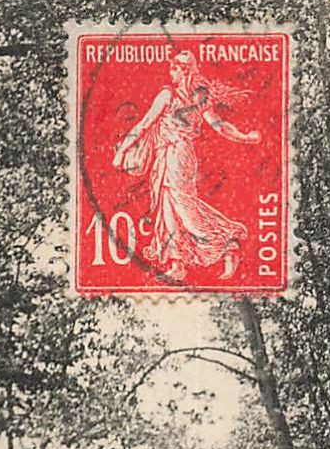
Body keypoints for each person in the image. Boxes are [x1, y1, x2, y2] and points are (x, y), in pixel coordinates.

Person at [111, 51, 259, 282]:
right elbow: (221, 126)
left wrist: (121, 152)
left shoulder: (169, 95)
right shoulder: (198, 98)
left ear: (183, 71)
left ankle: (227, 242)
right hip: (175, 155)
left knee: (183, 209)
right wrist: (245, 137)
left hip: (174, 154)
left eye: (174, 69)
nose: (171, 73)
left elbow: (144, 124)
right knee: (168, 207)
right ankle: (177, 263)